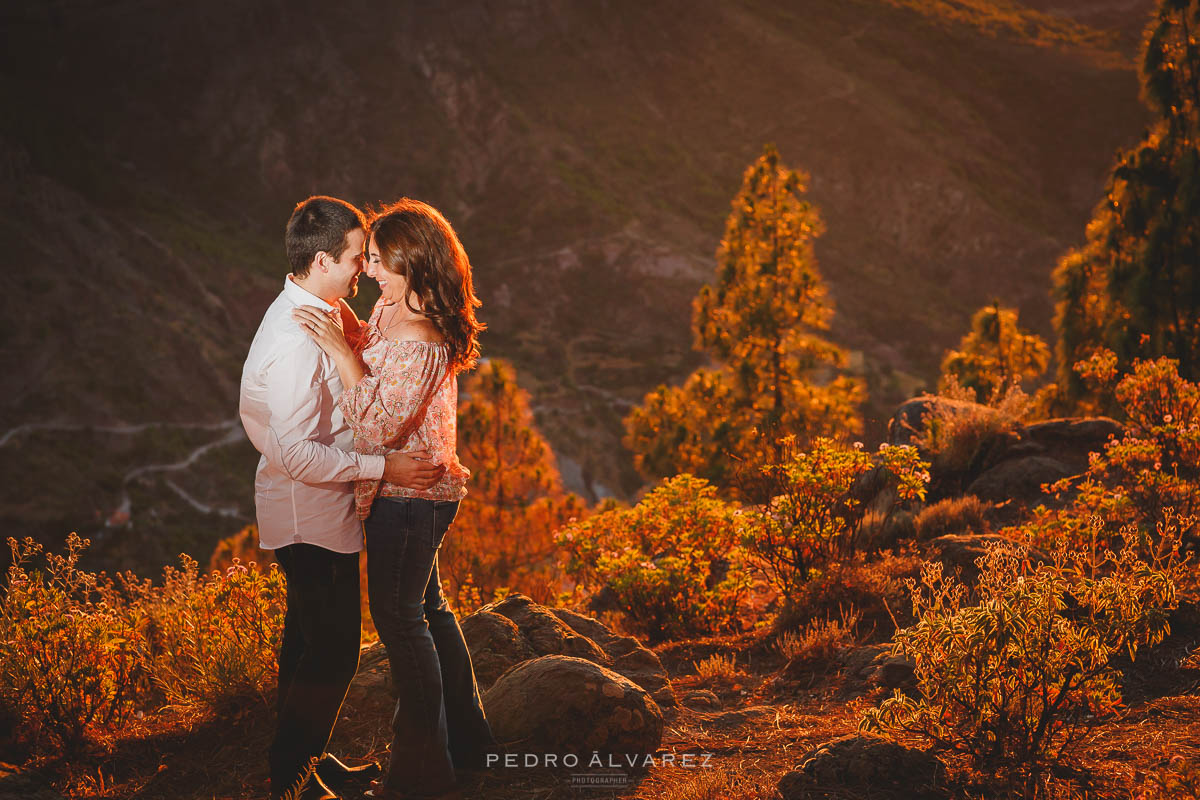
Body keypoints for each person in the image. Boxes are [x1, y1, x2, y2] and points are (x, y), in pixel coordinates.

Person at [239, 195, 447, 800]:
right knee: (332, 653)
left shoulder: (318, 309)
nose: (365, 269)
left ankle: (306, 767)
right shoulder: (299, 337)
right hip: (309, 512)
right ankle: (293, 777)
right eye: (359, 257)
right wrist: (384, 467)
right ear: (325, 258)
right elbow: (296, 454)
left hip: (317, 507)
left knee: (305, 644)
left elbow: (260, 417)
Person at [292, 198, 498, 800]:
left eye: (379, 261)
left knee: (401, 623)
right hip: (411, 492)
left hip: (410, 498)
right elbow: (373, 356)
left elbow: (378, 427)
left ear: (411, 263)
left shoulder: (422, 335)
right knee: (428, 613)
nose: (370, 272)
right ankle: (468, 746)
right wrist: (349, 331)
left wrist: (338, 353)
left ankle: (421, 774)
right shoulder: (394, 305)